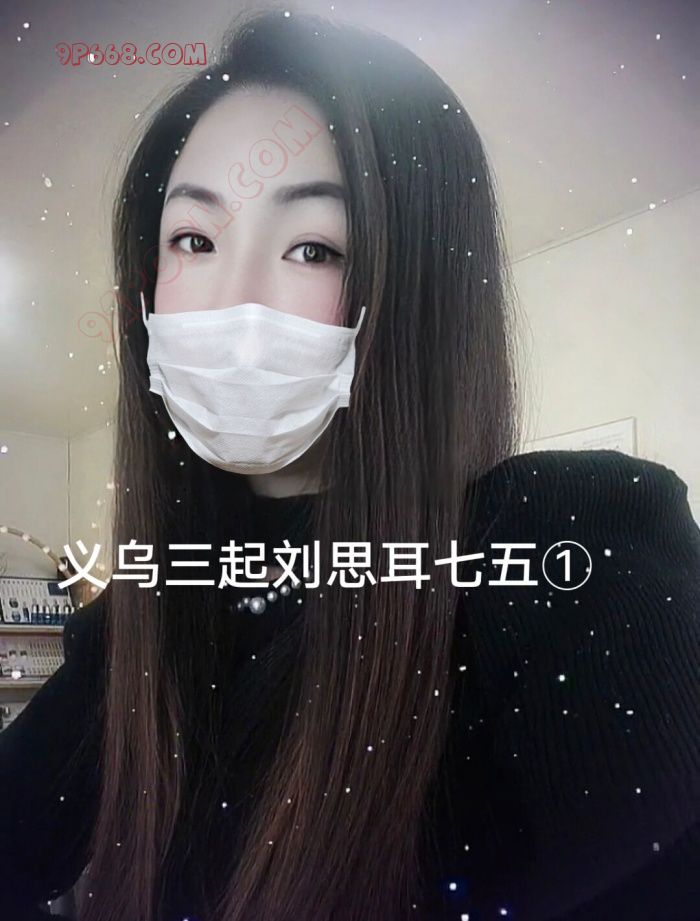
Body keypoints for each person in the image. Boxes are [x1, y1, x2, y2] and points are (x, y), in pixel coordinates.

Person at [1, 9, 698, 921]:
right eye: (193, 241)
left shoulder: (564, 550)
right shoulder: (138, 622)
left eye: (314, 248)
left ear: (412, 295)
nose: (232, 301)